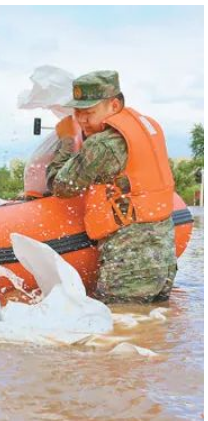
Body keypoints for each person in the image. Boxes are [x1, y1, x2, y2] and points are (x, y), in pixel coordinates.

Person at [46, 70, 177, 304]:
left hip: (129, 265)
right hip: (163, 260)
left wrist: (66, 141)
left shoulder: (103, 144)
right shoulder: (147, 126)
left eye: (89, 112)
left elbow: (60, 186)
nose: (81, 120)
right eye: (77, 113)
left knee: (117, 328)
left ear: (114, 105)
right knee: (149, 330)